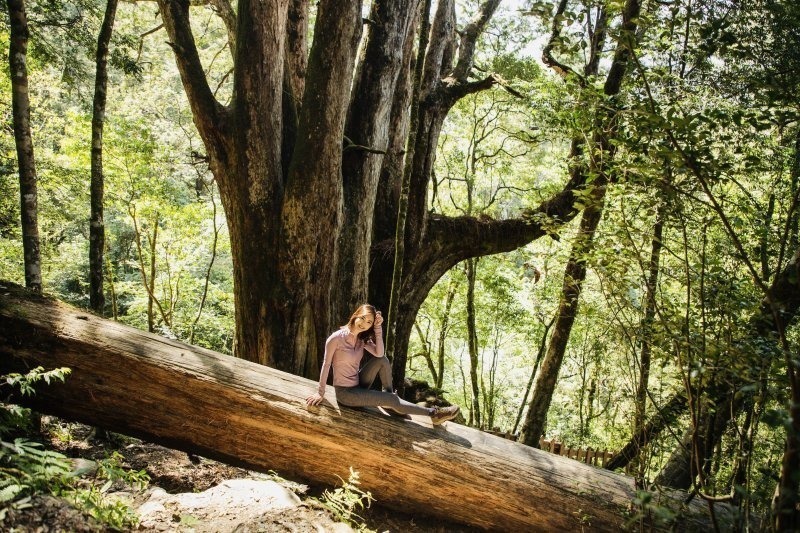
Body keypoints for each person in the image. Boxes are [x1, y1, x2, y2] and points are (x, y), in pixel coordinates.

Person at [305, 304, 460, 425]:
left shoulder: (362, 339)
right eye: (363, 318)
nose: (364, 324)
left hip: (358, 383)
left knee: (382, 360)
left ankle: (390, 400)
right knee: (392, 399)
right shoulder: (336, 339)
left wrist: (378, 328)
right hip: (346, 393)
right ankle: (434, 414)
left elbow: (379, 354)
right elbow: (326, 365)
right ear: (356, 315)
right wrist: (320, 392)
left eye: (369, 322)